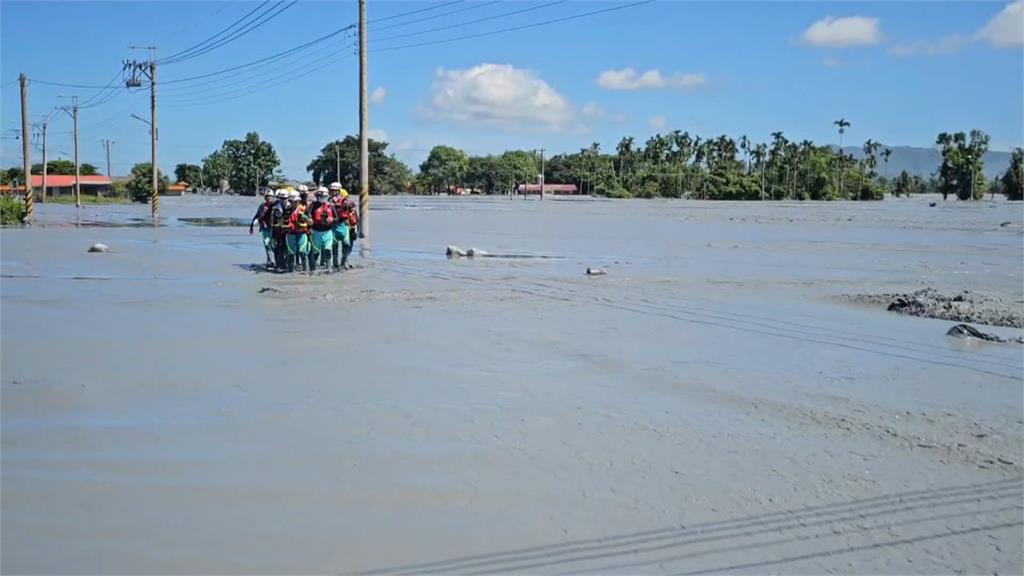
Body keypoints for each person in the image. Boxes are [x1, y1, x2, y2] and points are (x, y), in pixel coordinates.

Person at [308, 187, 336, 272]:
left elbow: (337, 218)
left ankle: (329, 268)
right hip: (316, 233)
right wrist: (309, 226)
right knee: (316, 252)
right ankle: (313, 269)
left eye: (324, 196)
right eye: (320, 196)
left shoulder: (330, 206)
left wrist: (331, 220)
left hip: (327, 232)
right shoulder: (313, 206)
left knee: (328, 250)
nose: (322, 198)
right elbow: (308, 217)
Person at [250, 190, 277, 269]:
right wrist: (251, 226)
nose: (269, 198)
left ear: (273, 197)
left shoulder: (276, 206)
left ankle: (278, 261)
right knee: (267, 245)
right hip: (265, 229)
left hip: (274, 229)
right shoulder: (262, 206)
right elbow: (257, 215)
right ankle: (270, 261)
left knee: (274, 245)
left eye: (270, 196)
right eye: (267, 197)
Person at [285, 190, 311, 273]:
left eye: (296, 201)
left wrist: (304, 217)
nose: (294, 203)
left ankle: (305, 270)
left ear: (299, 201)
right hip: (290, 234)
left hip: (302, 233)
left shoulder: (304, 210)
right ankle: (291, 271)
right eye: (292, 201)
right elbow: (281, 222)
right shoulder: (286, 210)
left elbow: (311, 222)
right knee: (291, 253)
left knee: (303, 252)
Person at [335, 187, 358, 269]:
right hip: (341, 228)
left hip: (350, 229)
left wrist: (356, 230)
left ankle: (344, 262)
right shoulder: (337, 208)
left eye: (347, 197)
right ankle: (341, 263)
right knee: (342, 246)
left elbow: (356, 219)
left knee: (348, 247)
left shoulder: (351, 207)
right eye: (345, 197)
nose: (346, 199)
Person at [270, 189, 290, 271]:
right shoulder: (275, 207)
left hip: (287, 231)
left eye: (285, 198)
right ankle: (278, 265)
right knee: (278, 248)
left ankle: (285, 264)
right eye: (282, 198)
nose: (283, 200)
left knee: (287, 248)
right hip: (277, 232)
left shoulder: (290, 206)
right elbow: (272, 221)